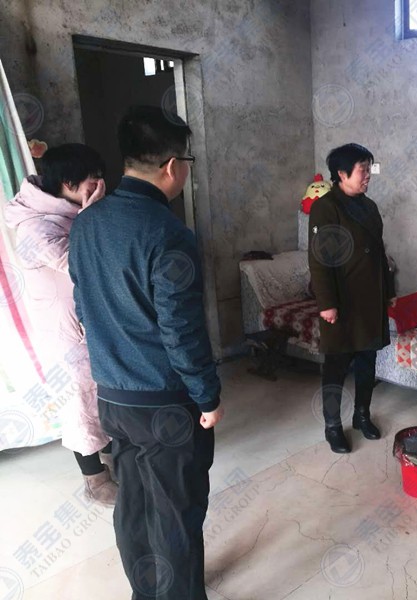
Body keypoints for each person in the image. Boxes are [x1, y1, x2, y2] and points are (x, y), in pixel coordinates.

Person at [69, 106, 223, 600]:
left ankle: (146, 589)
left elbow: (83, 307)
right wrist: (207, 396)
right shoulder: (169, 233)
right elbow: (181, 331)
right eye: (187, 162)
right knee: (176, 512)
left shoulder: (87, 224)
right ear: (172, 166)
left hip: (113, 397)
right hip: (165, 404)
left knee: (134, 502)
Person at [5, 143, 117, 505]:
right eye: (93, 178)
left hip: (89, 325)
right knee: (79, 403)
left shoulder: (74, 213)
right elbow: (82, 264)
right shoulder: (35, 228)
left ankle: (112, 458)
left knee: (103, 395)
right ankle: (95, 481)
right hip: (65, 334)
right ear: (68, 183)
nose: (100, 185)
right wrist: (94, 215)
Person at [308, 143, 395, 454]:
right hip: (342, 302)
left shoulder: (369, 206)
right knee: (336, 366)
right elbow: (319, 260)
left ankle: (362, 415)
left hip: (370, 299)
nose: (368, 175)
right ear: (342, 174)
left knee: (367, 361)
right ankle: (333, 426)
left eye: (368, 169)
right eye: (362, 170)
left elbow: (379, 252)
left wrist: (389, 291)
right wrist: (326, 304)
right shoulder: (326, 207)